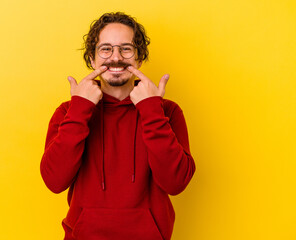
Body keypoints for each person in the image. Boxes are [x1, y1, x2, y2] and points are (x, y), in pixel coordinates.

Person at [40, 12, 196, 240]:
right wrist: (80, 108)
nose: (116, 57)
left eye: (126, 49)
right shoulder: (68, 112)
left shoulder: (167, 111)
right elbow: (54, 181)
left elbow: (176, 183)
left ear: (139, 58)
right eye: (106, 49)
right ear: (92, 59)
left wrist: (151, 109)